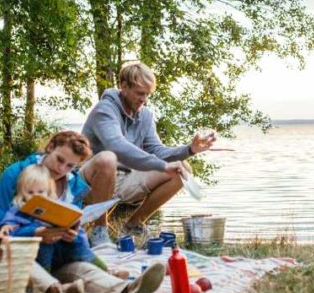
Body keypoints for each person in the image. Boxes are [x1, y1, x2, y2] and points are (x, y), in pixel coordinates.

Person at [0, 130, 164, 293]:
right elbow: (1, 231)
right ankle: (55, 290)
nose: (61, 169)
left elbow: (71, 219)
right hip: (24, 257)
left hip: (58, 257)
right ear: (50, 147)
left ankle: (126, 290)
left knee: (86, 270)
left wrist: (71, 232)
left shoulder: (72, 184)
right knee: (21, 261)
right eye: (59, 159)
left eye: (70, 166)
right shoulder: (16, 174)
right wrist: (36, 233)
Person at [81, 61, 216, 244]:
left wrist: (190, 150)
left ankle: (133, 225)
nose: (144, 99)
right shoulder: (105, 109)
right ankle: (99, 230)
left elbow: (156, 150)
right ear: (123, 86)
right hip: (90, 183)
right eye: (140, 93)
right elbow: (117, 146)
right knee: (107, 159)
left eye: (147, 94)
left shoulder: (145, 115)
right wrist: (162, 165)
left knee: (181, 169)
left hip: (125, 179)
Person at [0, 165, 92, 293]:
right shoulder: (18, 208)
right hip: (31, 255)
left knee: (79, 237)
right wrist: (6, 226)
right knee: (45, 243)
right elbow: (9, 223)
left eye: (40, 192)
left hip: (59, 255)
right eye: (30, 192)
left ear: (48, 192)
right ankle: (49, 285)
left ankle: (100, 267)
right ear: (22, 192)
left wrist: (71, 229)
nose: (36, 197)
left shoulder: (53, 207)